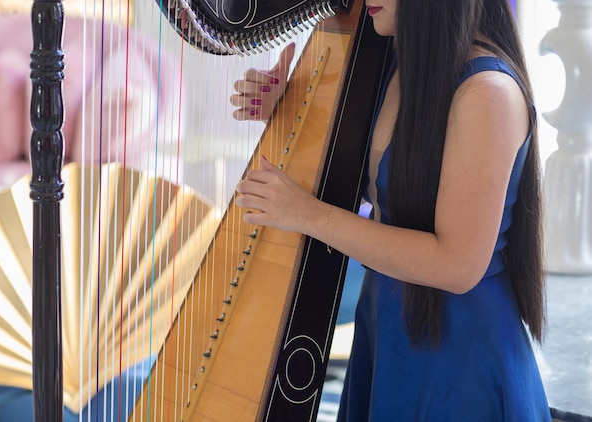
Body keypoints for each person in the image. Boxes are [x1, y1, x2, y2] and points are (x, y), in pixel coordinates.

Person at [231, 0, 551, 420]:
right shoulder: (391, 61)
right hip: (387, 326)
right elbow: (360, 176)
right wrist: (287, 110)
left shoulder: (487, 93)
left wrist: (307, 215)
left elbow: (456, 264)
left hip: (459, 358)